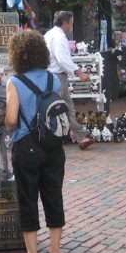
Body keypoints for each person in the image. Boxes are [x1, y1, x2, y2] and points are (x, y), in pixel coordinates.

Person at [4, 30, 66, 253]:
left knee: (28, 199)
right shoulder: (54, 80)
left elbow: (10, 120)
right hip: (53, 146)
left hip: (26, 146)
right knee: (54, 197)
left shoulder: (15, 82)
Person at [44, 11, 96, 150]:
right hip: (57, 76)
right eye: (71, 23)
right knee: (56, 108)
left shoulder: (49, 34)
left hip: (54, 75)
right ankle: (47, 137)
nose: (71, 26)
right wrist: (79, 73)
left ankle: (81, 136)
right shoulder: (59, 37)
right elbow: (63, 59)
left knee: (68, 107)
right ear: (65, 22)